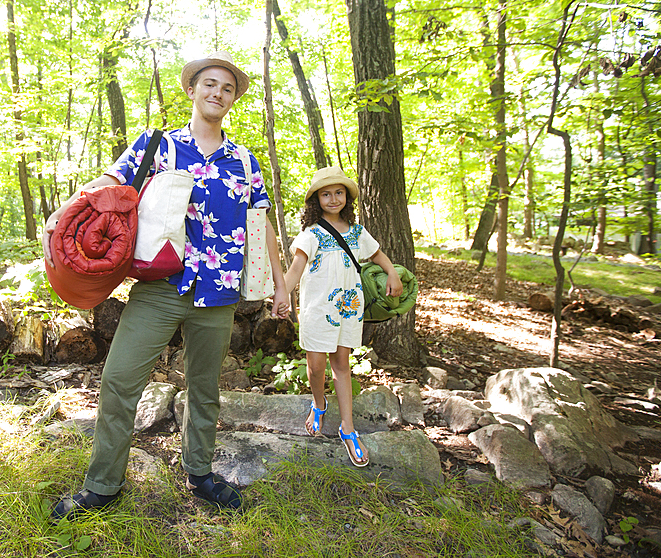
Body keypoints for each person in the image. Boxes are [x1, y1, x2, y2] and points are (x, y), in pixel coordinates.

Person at [43, 50, 290, 520]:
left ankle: (200, 475)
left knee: (205, 389)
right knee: (118, 380)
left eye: (227, 88)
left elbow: (262, 224)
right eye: (209, 84)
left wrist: (280, 284)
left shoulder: (245, 161)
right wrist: (68, 207)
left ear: (233, 99)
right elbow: (113, 179)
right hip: (161, 284)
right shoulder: (161, 146)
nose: (217, 93)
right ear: (193, 89)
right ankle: (103, 485)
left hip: (219, 290)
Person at [279, 167, 402, 467]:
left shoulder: (358, 233)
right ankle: (319, 404)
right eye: (325, 193)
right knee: (316, 365)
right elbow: (296, 269)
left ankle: (348, 428)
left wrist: (392, 272)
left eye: (338, 192)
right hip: (316, 309)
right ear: (316, 200)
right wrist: (282, 292)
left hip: (347, 308)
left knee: (341, 364)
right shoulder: (311, 235)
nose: (333, 199)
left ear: (346, 197)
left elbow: (377, 255)